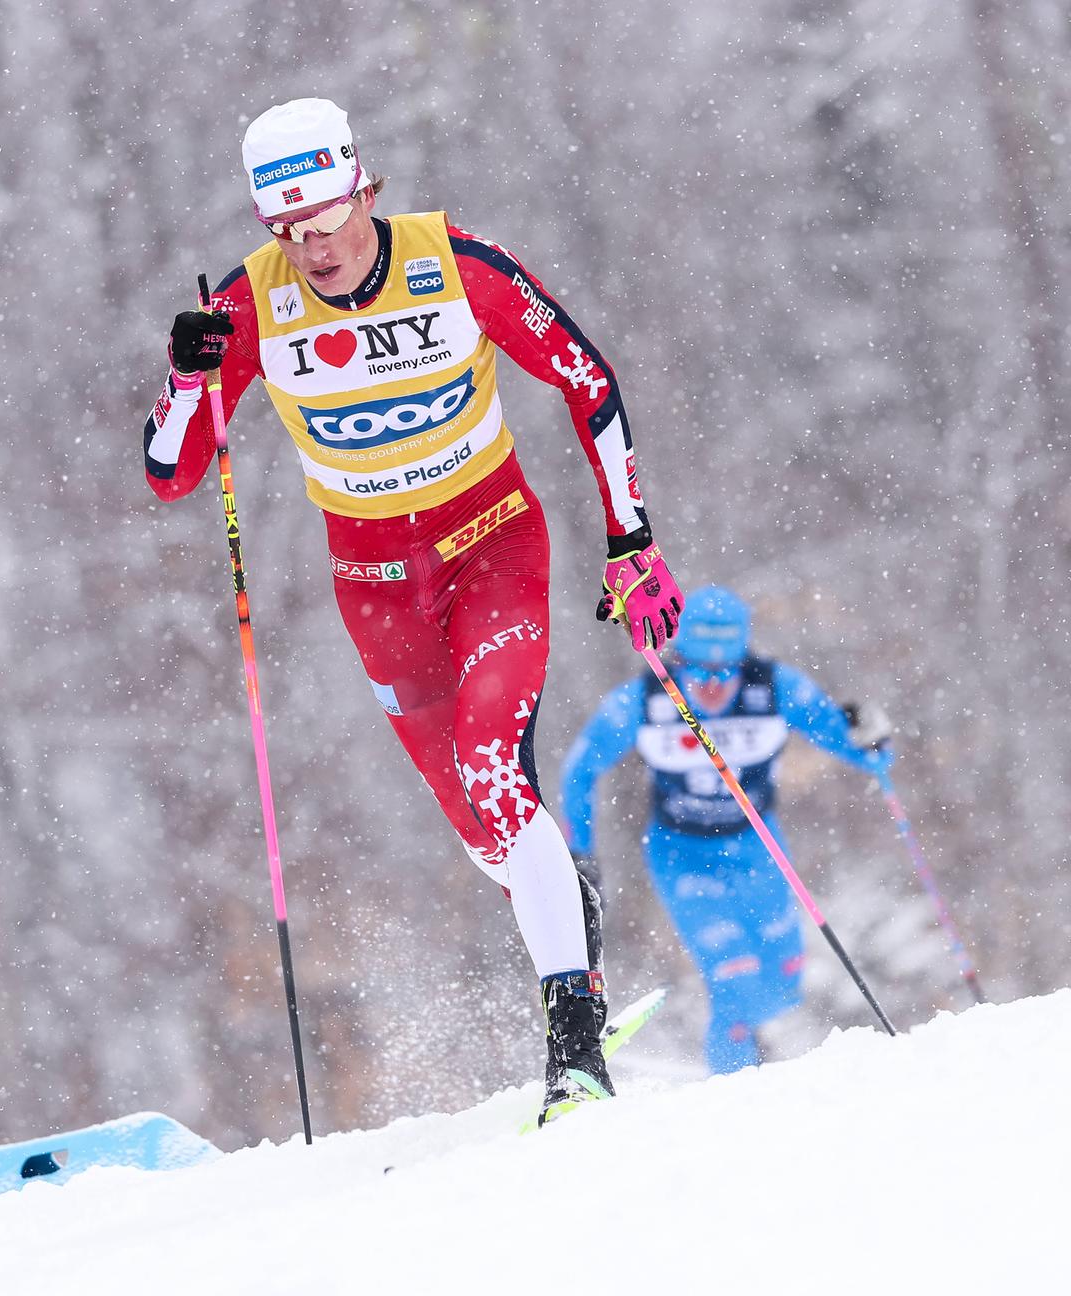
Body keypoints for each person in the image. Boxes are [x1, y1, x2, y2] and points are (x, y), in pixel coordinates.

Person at [142, 98, 683, 1124]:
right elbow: (174, 473)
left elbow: (587, 378)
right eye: (288, 232)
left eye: (330, 219)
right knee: (481, 822)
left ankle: (574, 1041)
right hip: (376, 581)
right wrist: (187, 377)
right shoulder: (252, 307)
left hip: (492, 544)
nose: (316, 248)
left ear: (364, 191)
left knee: (495, 756)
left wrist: (633, 540)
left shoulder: (455, 261)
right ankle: (565, 899)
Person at [559, 585, 892, 1075]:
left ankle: (748, 1048)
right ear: (680, 657)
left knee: (784, 977)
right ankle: (733, 1077)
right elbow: (579, 770)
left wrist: (872, 738)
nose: (712, 686)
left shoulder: (775, 688)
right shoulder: (648, 697)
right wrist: (578, 851)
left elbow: (858, 748)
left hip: (757, 844)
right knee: (733, 970)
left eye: (725, 673)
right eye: (699, 672)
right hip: (681, 853)